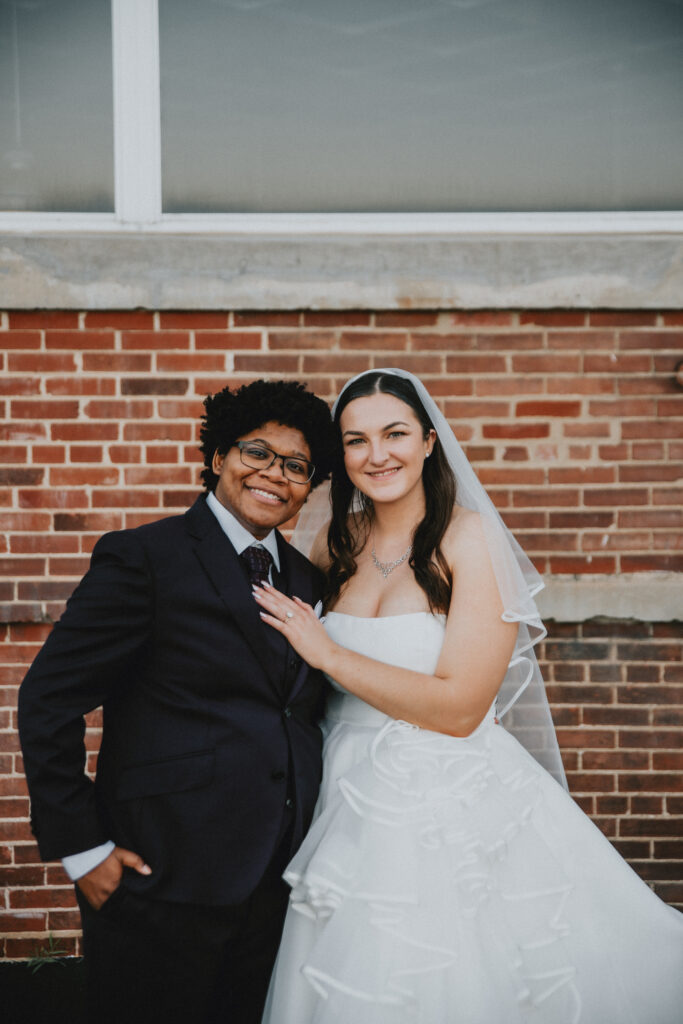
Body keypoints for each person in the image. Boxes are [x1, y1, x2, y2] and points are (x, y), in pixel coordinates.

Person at [254, 368, 683, 1024]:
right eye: (356, 440)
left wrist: (331, 653)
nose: (378, 455)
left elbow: (460, 709)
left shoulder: (468, 540)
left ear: (428, 441)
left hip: (440, 801)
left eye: (394, 433)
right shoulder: (333, 541)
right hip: (337, 789)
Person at [18, 379, 336, 1024]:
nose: (275, 475)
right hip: (158, 877)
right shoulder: (146, 557)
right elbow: (48, 699)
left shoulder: (309, 582)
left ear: (310, 486)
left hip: (277, 884)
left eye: (297, 466)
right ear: (218, 456)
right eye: (257, 452)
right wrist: (84, 850)